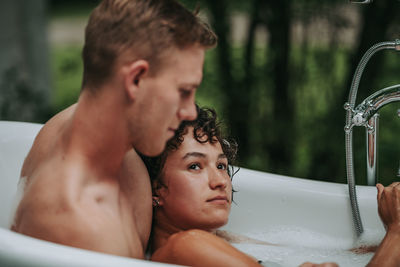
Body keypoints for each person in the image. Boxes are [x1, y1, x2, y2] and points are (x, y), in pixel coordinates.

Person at [11, 0, 216, 259]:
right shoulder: (78, 223)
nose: (190, 112)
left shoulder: (103, 143)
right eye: (183, 91)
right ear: (135, 80)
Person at [141, 106, 341, 267]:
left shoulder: (223, 240)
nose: (220, 181)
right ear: (155, 188)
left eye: (221, 166)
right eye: (194, 166)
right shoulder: (184, 244)